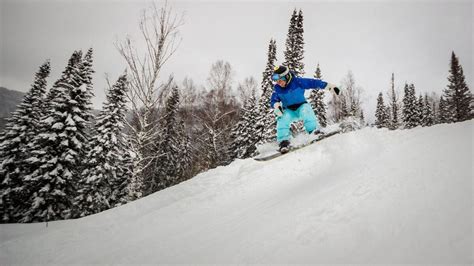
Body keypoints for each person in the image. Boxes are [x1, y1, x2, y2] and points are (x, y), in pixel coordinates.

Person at [270, 65, 340, 153]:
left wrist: (329, 86)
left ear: (287, 77)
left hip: (301, 106)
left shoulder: (297, 82)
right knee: (282, 118)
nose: (279, 83)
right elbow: (273, 100)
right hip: (289, 110)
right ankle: (284, 142)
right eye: (277, 81)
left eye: (280, 80)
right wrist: (276, 106)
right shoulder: (277, 89)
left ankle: (313, 131)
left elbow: (314, 83)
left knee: (306, 111)